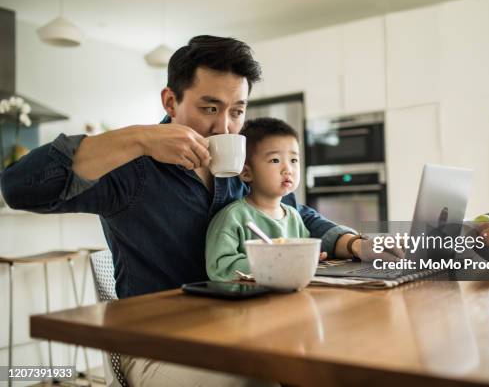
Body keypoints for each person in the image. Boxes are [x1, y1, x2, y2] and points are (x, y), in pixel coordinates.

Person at [0, 35, 401, 386]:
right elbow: (18, 187)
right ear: (171, 101)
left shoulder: (240, 167)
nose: (225, 127)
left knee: (338, 362)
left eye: (237, 111)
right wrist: (139, 138)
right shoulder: (131, 169)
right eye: (210, 108)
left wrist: (353, 243)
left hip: (243, 325)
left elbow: (296, 213)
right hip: (158, 344)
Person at [206, 117, 315, 281]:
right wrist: (272, 263)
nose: (288, 169)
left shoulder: (294, 217)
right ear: (246, 173)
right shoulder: (233, 217)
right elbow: (220, 267)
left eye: (293, 160)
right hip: (247, 302)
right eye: (275, 160)